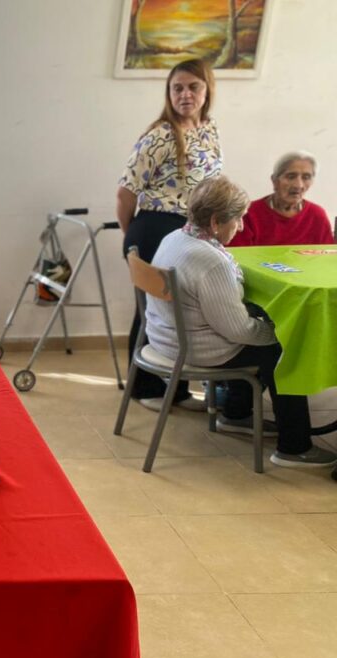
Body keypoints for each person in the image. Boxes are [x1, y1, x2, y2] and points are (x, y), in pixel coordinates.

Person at [145, 175, 337, 468]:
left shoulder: (174, 238)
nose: (242, 226)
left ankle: (236, 414)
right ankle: (294, 447)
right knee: (284, 349)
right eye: (238, 219)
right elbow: (239, 331)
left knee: (260, 335)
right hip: (196, 349)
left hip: (164, 337)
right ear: (215, 222)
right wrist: (282, 332)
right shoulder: (212, 261)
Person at [117, 58, 223, 412]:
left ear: (207, 90)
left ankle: (177, 390)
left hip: (192, 232)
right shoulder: (160, 135)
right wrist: (133, 236)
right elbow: (125, 194)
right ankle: (144, 387)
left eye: (193, 87)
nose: (185, 94)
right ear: (169, 93)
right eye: (177, 88)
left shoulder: (209, 129)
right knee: (153, 312)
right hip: (155, 228)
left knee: (184, 314)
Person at [229, 151, 334, 247]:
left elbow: (328, 255)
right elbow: (236, 257)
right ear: (274, 180)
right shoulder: (249, 213)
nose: (298, 185)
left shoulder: (317, 215)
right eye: (291, 176)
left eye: (306, 177)